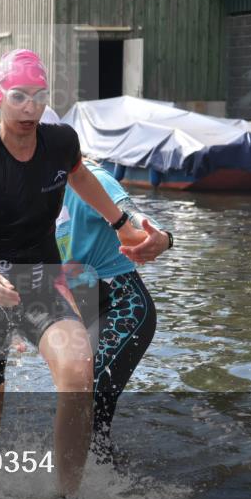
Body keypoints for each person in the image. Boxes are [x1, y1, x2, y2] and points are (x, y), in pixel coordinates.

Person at [0, 49, 153, 498]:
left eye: (37, 95)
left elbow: (83, 179)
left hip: (41, 282)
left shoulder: (60, 143)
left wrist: (122, 225)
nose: (29, 106)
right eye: (18, 96)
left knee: (77, 371)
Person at [54, 156, 173, 460]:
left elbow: (135, 216)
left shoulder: (89, 178)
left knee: (82, 397)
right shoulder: (33, 190)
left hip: (124, 308)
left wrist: (160, 237)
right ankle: (107, 487)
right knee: (89, 420)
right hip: (85, 311)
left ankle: (82, 496)